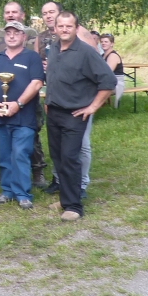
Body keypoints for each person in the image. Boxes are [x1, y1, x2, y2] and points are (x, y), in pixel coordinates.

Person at [45, 11, 116, 221]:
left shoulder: (86, 52)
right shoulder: (54, 49)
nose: (64, 30)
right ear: (55, 28)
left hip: (74, 114)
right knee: (58, 159)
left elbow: (108, 81)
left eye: (69, 26)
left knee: (70, 159)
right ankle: (66, 199)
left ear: (76, 28)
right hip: (54, 112)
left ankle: (74, 207)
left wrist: (92, 107)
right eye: (61, 26)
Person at [0, 21, 43, 210]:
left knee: (20, 154)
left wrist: (18, 104)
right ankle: (7, 191)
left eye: (16, 33)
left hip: (24, 117)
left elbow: (37, 83)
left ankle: (23, 194)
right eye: (8, 32)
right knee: (4, 155)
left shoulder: (31, 57)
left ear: (24, 36)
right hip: (0, 115)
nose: (12, 36)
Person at [39, 1, 98, 197]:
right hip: (56, 107)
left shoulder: (83, 42)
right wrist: (49, 99)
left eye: (52, 12)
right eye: (45, 13)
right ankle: (62, 184)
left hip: (77, 107)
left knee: (79, 148)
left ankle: (80, 187)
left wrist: (92, 106)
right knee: (59, 152)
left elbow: (103, 77)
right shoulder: (51, 44)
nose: (48, 16)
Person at [0, 2, 47, 189]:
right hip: (3, 94)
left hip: (26, 91)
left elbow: (38, 59)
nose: (11, 15)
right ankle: (5, 174)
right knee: (4, 136)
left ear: (22, 15)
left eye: (15, 12)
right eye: (7, 12)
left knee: (32, 133)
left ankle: (37, 170)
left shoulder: (31, 34)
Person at [100, 34, 124, 108]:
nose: (103, 43)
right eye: (102, 42)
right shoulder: (102, 55)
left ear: (112, 44)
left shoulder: (113, 56)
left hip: (115, 84)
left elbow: (107, 73)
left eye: (106, 42)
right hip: (105, 82)